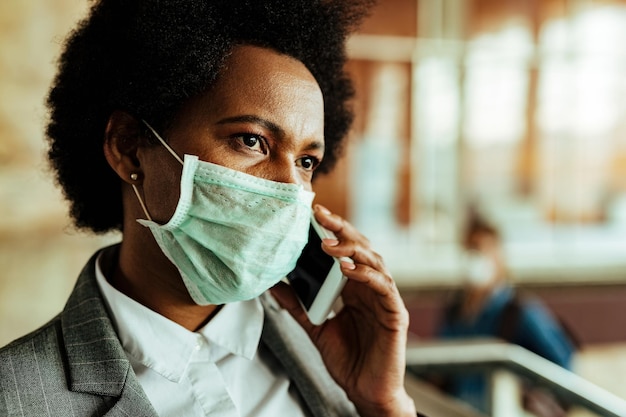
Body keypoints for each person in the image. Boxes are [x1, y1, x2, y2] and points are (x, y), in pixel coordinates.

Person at [0, 1, 422, 416]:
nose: (291, 189)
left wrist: (383, 406)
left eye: (306, 161)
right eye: (252, 141)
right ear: (129, 148)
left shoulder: (328, 351)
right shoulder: (16, 397)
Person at [434, 212, 577, 414]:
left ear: (498, 256)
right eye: (468, 249)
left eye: (479, 249)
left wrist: (529, 392)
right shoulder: (454, 310)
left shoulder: (519, 311)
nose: (472, 257)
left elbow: (564, 364)